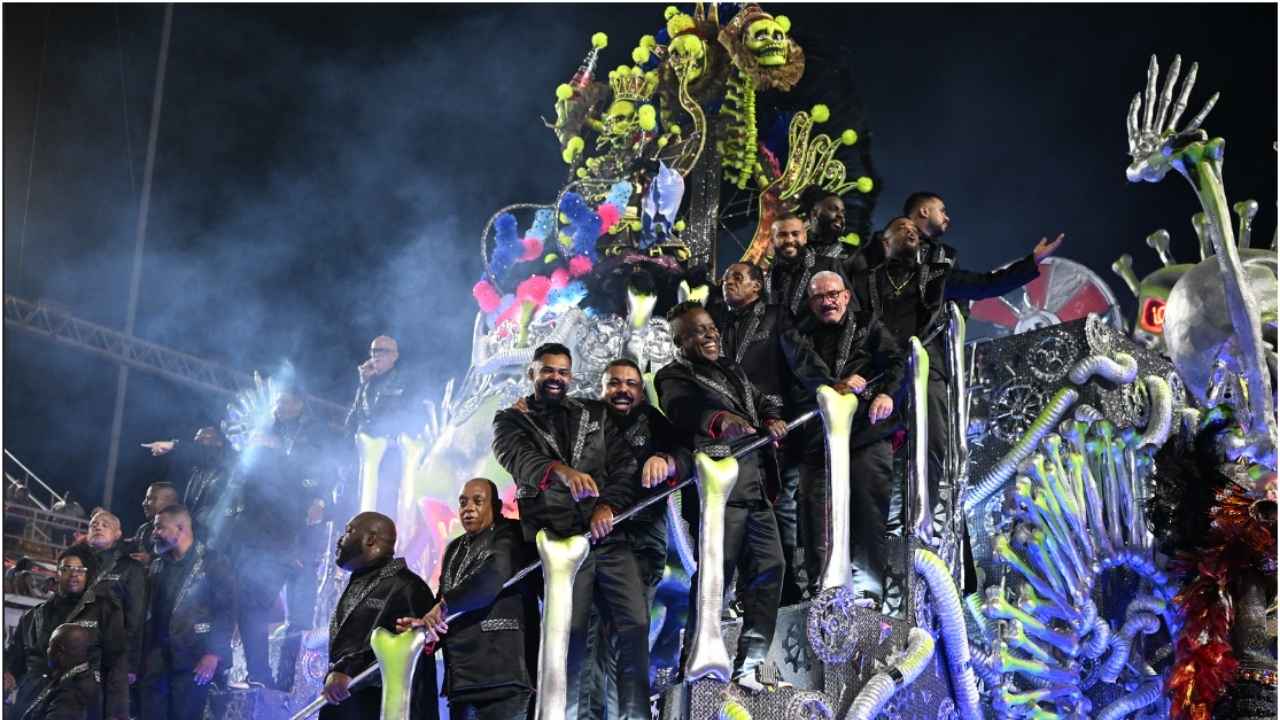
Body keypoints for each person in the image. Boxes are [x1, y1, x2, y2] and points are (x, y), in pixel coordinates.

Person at [490, 343, 649, 719]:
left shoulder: (593, 412)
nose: (555, 378)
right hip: (559, 545)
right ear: (532, 373)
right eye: (548, 370)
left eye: (562, 372)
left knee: (635, 624)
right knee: (570, 637)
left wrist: (608, 506)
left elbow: (625, 465)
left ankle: (635, 715)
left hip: (608, 539)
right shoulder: (510, 420)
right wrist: (560, 472)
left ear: (571, 376)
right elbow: (518, 458)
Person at [655, 302, 789, 692]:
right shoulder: (672, 375)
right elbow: (684, 409)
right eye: (699, 331)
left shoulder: (733, 369)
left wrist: (771, 417)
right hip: (718, 496)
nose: (711, 334)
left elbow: (761, 400)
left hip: (757, 489)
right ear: (680, 341)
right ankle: (693, 669)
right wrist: (720, 421)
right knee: (715, 580)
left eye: (712, 327)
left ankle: (751, 664)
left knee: (772, 568)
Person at [782, 270, 904, 605]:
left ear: (846, 296)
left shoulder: (868, 324)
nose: (828, 302)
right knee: (816, 510)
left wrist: (887, 394)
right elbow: (800, 373)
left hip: (866, 429)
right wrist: (835, 386)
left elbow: (896, 362)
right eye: (819, 297)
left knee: (868, 509)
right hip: (818, 436)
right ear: (810, 303)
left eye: (833, 294)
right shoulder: (799, 333)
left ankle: (867, 592)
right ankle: (823, 591)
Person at [398, 479, 539, 720]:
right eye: (463, 503)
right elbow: (443, 599)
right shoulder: (455, 548)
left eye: (477, 501)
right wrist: (426, 627)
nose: (468, 508)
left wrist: (442, 607)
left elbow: (492, 576)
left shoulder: (512, 534)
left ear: (496, 506)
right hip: (462, 681)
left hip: (505, 677)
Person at [712, 262, 807, 603]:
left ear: (757, 285)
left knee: (780, 506)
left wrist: (822, 389)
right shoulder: (719, 324)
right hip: (735, 436)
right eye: (726, 278)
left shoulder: (776, 316)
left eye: (737, 278)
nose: (729, 283)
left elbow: (799, 362)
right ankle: (748, 591)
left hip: (776, 428)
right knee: (742, 512)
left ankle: (789, 587)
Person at [227, 384, 326, 687]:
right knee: (253, 609)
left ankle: (288, 682)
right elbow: (242, 485)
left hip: (300, 545)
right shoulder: (262, 436)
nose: (278, 406)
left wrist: (319, 501)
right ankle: (260, 676)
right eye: (276, 400)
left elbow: (323, 480)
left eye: (285, 400)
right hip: (263, 544)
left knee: (299, 619)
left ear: (299, 403)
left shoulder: (314, 436)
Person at [320, 512, 437, 720]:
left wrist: (347, 670)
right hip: (347, 707)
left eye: (348, 531)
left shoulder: (408, 587)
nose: (340, 539)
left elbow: (406, 653)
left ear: (371, 539)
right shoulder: (364, 580)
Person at [4, 544, 130, 720]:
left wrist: (118, 710)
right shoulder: (33, 616)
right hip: (33, 701)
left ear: (88, 575)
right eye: (67, 568)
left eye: (80, 569)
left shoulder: (104, 610)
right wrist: (7, 673)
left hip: (81, 702)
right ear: (58, 573)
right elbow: (15, 659)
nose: (74, 574)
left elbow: (116, 662)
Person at [139, 505, 235, 720]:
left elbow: (227, 611)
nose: (154, 533)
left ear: (180, 528)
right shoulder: (157, 565)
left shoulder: (213, 562)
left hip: (195, 658)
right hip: (158, 661)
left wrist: (213, 654)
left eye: (159, 527)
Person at [343, 335, 417, 516]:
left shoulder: (406, 382)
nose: (376, 355)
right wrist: (362, 384)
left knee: (383, 509)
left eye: (383, 351)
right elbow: (352, 421)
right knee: (357, 508)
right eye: (374, 351)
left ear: (394, 356)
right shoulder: (367, 383)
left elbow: (410, 418)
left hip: (389, 459)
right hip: (364, 458)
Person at [141, 427, 237, 549]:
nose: (197, 443)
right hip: (197, 539)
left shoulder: (229, 461)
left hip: (220, 537)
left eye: (203, 439)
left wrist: (174, 445)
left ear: (219, 443)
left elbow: (209, 454)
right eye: (196, 440)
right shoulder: (197, 472)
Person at [84, 511, 147, 689]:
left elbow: (135, 618)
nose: (98, 527)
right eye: (94, 524)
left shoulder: (131, 568)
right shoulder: (77, 563)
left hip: (110, 655)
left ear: (118, 534)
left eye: (105, 525)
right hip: (76, 650)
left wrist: (131, 663)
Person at [20, 624, 100, 720]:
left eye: (50, 646)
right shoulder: (79, 677)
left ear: (60, 652)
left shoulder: (71, 695)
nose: (47, 651)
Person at [123, 483, 179, 565]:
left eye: (150, 499)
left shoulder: (181, 533)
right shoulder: (144, 529)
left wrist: (150, 561)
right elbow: (130, 544)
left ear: (169, 502)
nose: (143, 503)